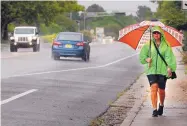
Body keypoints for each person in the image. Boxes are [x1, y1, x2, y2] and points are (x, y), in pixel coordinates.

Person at [139, 26, 177, 117]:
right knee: (154, 87)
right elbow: (142, 57)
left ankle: (161, 105)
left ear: (161, 34)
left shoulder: (166, 45)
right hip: (151, 70)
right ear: (152, 34)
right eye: (154, 33)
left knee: (161, 90)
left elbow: (169, 57)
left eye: (157, 33)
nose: (156, 34)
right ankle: (154, 109)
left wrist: (169, 67)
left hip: (163, 70)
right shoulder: (148, 45)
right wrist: (146, 59)